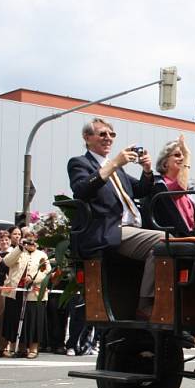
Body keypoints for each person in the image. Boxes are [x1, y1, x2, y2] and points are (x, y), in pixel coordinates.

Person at [67, 117, 164, 319]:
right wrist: (114, 164)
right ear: (87, 137)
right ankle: (145, 305)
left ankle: (163, 303)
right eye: (102, 134)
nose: (108, 138)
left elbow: (140, 190)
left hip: (132, 230)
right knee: (163, 241)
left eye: (112, 134)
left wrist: (147, 171)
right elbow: (81, 190)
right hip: (110, 231)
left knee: (174, 242)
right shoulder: (80, 163)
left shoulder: (117, 169)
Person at [1, 231, 50, 359]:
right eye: (28, 240)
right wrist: (20, 248)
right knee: (14, 319)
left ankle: (33, 348)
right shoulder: (17, 251)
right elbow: (7, 262)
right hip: (15, 292)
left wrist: (33, 278)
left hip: (34, 293)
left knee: (33, 320)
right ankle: (14, 346)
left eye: (32, 240)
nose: (30, 243)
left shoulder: (42, 255)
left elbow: (46, 272)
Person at [145, 135, 195, 236]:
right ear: (165, 163)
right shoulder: (160, 183)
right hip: (173, 237)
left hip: (190, 235)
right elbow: (179, 188)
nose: (182, 158)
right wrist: (187, 155)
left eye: (183, 155)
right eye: (177, 155)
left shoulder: (187, 188)